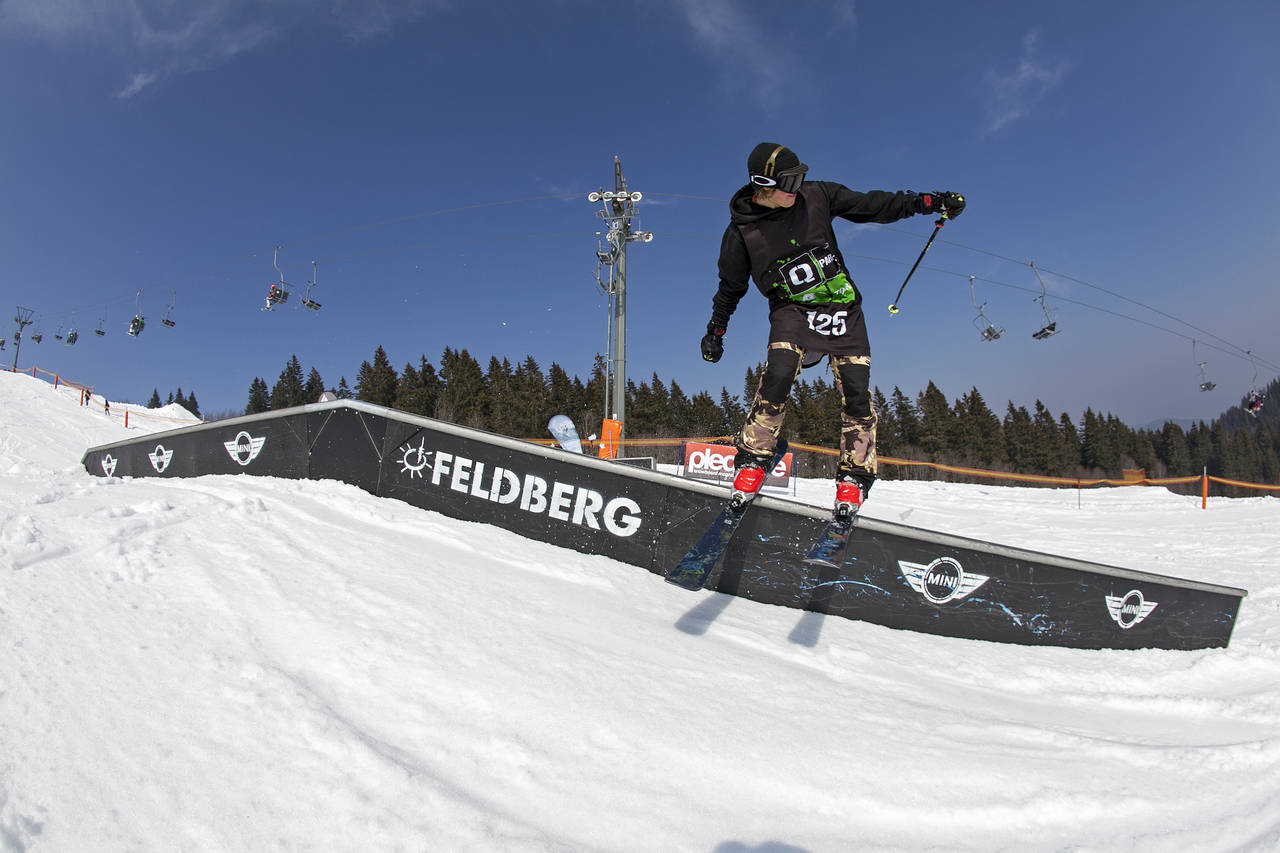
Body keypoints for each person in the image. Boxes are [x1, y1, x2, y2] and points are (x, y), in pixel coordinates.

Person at [701, 141, 964, 518]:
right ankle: (754, 457)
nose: (795, 189)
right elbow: (730, 288)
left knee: (856, 389)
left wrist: (928, 202)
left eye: (798, 180)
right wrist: (716, 330)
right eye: (787, 184)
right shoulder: (741, 233)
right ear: (763, 185)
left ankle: (854, 475)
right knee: (778, 373)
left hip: (842, 309)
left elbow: (875, 204)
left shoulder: (817, 195)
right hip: (792, 310)